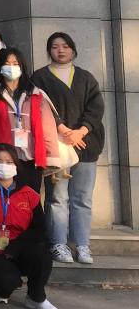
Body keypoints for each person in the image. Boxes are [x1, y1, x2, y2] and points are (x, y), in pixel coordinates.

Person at [31, 31, 104, 265]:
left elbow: (96, 108)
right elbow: (39, 107)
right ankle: (58, 243)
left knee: (82, 198)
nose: (60, 50)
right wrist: (62, 130)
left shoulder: (86, 78)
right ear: (49, 51)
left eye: (65, 46)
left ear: (73, 49)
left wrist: (80, 131)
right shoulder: (40, 77)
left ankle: (82, 245)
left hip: (86, 144)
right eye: (54, 46)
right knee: (57, 197)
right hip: (57, 146)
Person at [0, 144, 57, 309]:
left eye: (9, 162)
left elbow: (39, 229)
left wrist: (17, 246)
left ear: (16, 165)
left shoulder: (29, 194)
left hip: (20, 246)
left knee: (43, 255)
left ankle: (36, 297)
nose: (4, 166)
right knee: (7, 282)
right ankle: (0, 289)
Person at [0, 47, 58, 193]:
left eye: (15, 63)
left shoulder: (36, 95)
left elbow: (48, 128)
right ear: (0, 67)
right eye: (7, 63)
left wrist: (51, 156)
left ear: (22, 67)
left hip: (30, 159)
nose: (11, 67)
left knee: (30, 199)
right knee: (4, 198)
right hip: (3, 160)